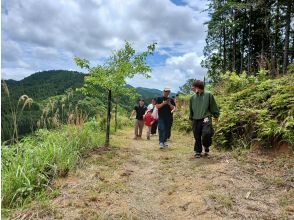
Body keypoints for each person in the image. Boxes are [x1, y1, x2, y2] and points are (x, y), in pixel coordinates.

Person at [189, 80, 220, 158]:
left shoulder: (208, 95)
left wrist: (216, 116)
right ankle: (197, 151)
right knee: (197, 135)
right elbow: (191, 109)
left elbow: (213, 106)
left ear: (198, 87)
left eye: (194, 86)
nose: (192, 88)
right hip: (195, 119)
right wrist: (191, 118)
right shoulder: (192, 98)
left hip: (205, 118)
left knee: (207, 133)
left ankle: (206, 146)